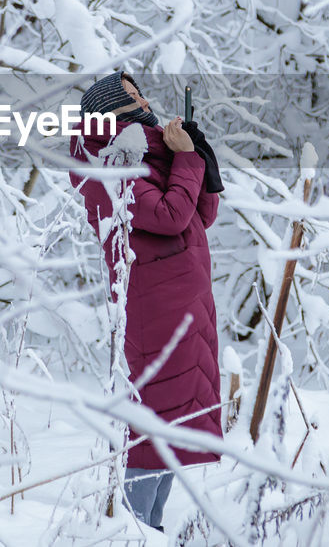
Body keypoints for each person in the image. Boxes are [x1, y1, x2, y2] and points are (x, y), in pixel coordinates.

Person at [68, 71, 224, 532]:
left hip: (184, 303)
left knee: (171, 427)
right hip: (154, 310)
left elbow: (201, 215)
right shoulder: (108, 163)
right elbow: (169, 215)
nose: (145, 100)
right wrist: (184, 161)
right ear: (115, 107)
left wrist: (196, 158)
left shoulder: (148, 153)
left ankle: (150, 530)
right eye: (134, 95)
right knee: (149, 426)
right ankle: (134, 532)